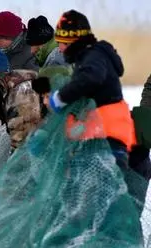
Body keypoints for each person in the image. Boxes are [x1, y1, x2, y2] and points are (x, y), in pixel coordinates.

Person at [45, 10, 145, 214]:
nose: (61, 49)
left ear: (75, 41)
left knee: (104, 208)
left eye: (63, 43)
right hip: (106, 137)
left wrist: (60, 98)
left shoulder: (94, 56)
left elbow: (91, 78)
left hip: (112, 139)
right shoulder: (92, 56)